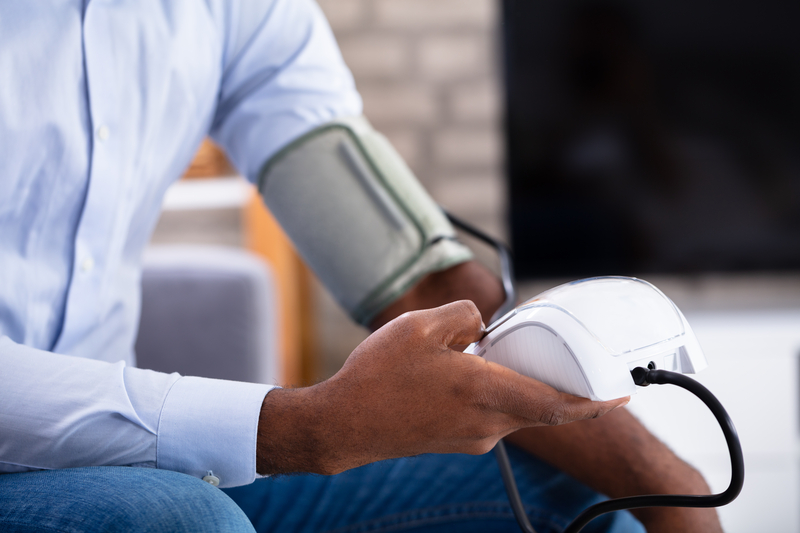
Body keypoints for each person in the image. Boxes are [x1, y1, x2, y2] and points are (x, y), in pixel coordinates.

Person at [0, 1, 721, 532]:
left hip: (122, 463)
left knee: (593, 509)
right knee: (179, 521)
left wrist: (662, 483)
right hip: (113, 489)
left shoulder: (232, 12)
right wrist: (305, 426)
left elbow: (416, 277)